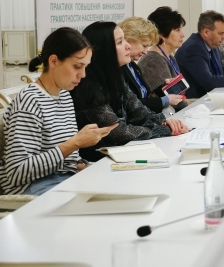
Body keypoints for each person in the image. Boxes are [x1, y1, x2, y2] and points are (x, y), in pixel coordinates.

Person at [0, 28, 118, 196]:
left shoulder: (64, 96)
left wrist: (87, 167)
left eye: (85, 67)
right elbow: (17, 173)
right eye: (77, 66)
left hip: (63, 179)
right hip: (34, 189)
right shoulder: (30, 100)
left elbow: (68, 161)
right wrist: (75, 143)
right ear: (53, 61)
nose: (83, 74)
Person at [71, 22, 188, 163]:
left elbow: (140, 112)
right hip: (99, 161)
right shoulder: (89, 85)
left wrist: (165, 122)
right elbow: (118, 132)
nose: (128, 46)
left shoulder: (116, 77)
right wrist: (166, 130)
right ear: (104, 49)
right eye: (120, 42)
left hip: (121, 153)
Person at [118, 16, 186, 113]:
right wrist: (164, 101)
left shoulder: (133, 66)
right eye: (144, 46)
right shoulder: (119, 69)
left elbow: (146, 95)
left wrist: (163, 88)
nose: (145, 52)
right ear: (129, 39)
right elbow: (131, 105)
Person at [138, 6, 187, 95]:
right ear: (162, 35)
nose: (183, 34)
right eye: (177, 30)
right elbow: (169, 96)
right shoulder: (153, 61)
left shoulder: (170, 57)